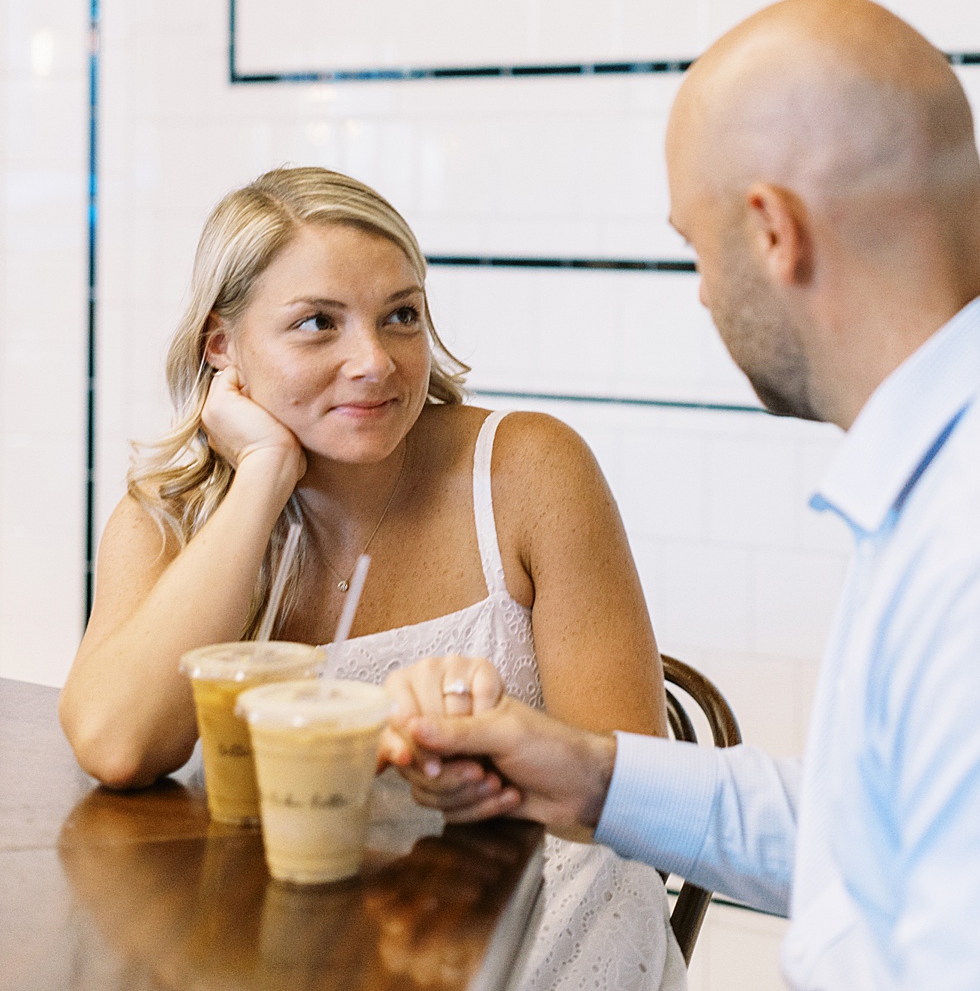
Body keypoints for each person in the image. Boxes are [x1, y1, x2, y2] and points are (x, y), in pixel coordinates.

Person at [379, 0, 980, 990]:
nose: (704, 295)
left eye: (698, 246)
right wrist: (586, 773)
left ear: (773, 229)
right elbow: (882, 842)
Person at [59, 167, 686, 991]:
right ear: (222, 347)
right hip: (293, 952)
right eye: (318, 323)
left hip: (546, 934)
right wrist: (263, 478)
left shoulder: (529, 469)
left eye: (401, 317)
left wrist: (482, 759)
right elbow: (117, 744)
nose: (375, 362)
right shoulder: (168, 522)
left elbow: (634, 791)